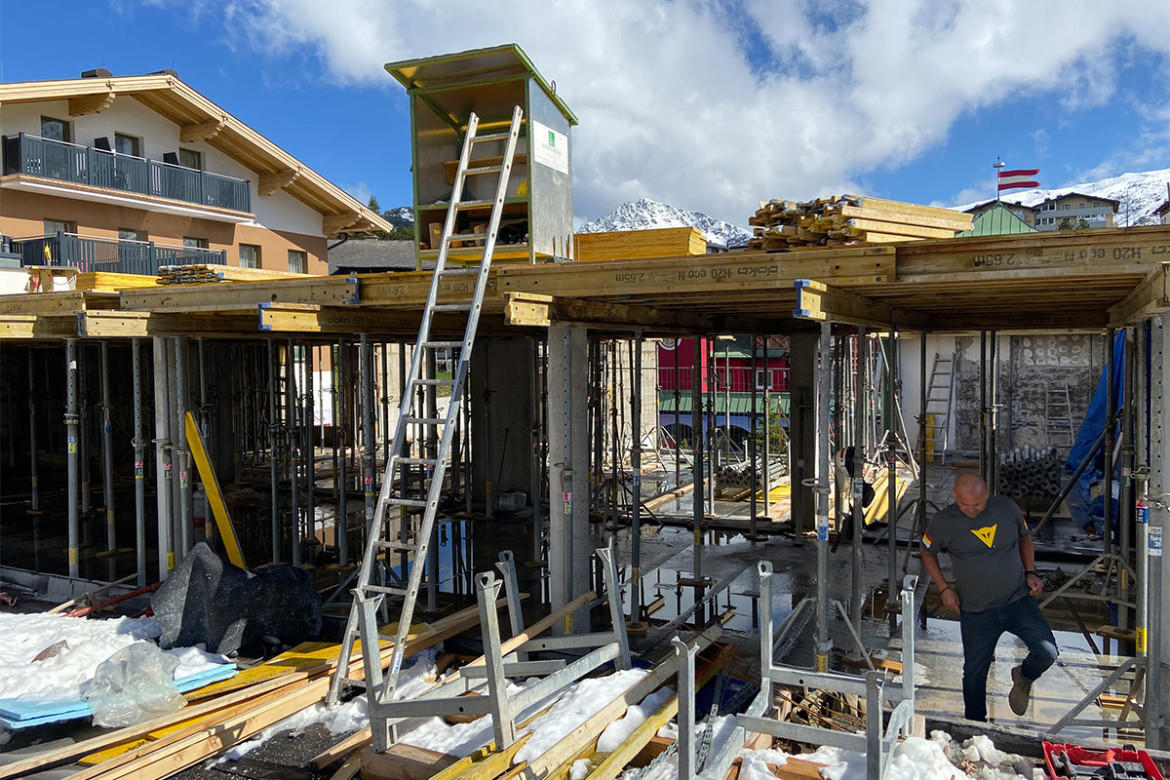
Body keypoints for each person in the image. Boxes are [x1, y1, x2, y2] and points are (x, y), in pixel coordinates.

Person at [920, 472, 1059, 721]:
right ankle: (975, 728)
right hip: (975, 610)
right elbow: (927, 552)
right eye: (964, 505)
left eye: (977, 504)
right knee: (974, 674)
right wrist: (943, 588)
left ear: (987, 495)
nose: (971, 510)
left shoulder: (1007, 510)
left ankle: (1024, 676)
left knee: (1047, 652)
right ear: (954, 497)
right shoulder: (942, 522)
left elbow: (1025, 539)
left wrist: (1030, 571)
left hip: (1017, 600)